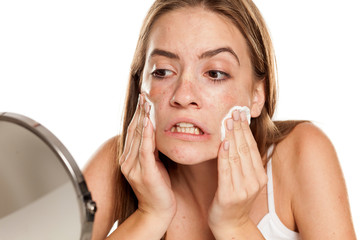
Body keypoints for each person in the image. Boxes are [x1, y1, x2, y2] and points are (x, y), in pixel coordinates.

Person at [83, 0, 356, 239]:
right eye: (163, 71)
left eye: (214, 74)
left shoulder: (302, 153)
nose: (183, 95)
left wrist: (234, 225)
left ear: (257, 95)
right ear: (140, 84)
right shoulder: (116, 162)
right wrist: (150, 215)